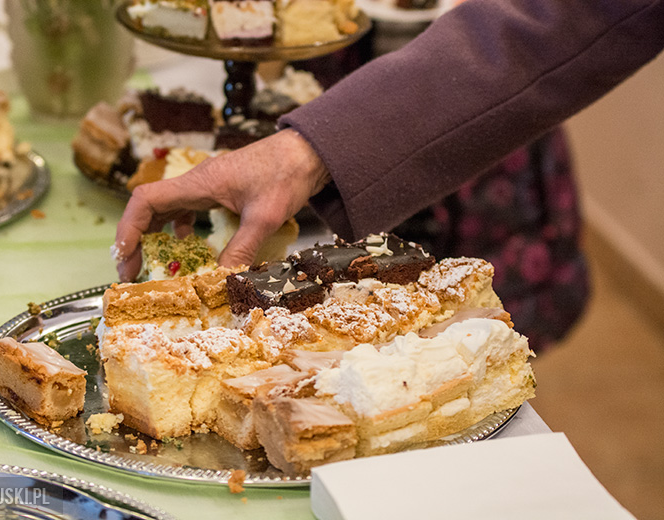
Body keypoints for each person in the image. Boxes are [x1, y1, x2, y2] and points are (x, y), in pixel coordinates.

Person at [114, 0, 664, 347]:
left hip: (471, 119)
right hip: (385, 94)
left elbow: (548, 28)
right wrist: (304, 153)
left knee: (476, 333)